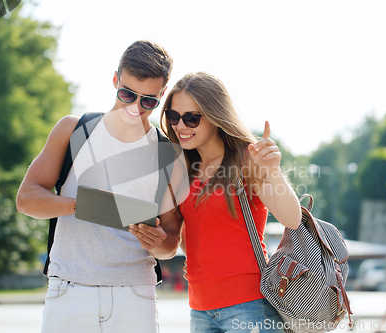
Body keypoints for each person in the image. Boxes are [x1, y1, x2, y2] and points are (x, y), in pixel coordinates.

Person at [16, 40, 183, 333]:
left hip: (135, 295)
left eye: (148, 101)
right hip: (69, 291)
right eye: (127, 94)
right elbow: (27, 198)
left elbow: (172, 242)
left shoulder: (166, 153)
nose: (135, 107)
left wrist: (159, 241)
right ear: (115, 79)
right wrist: (83, 205)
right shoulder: (73, 130)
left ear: (162, 94)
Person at [159, 72, 302, 332]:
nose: (181, 126)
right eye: (173, 116)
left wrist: (272, 171)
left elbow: (292, 219)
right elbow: (190, 232)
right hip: (200, 309)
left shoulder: (247, 159)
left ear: (214, 116)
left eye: (191, 118)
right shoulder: (184, 169)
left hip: (250, 306)